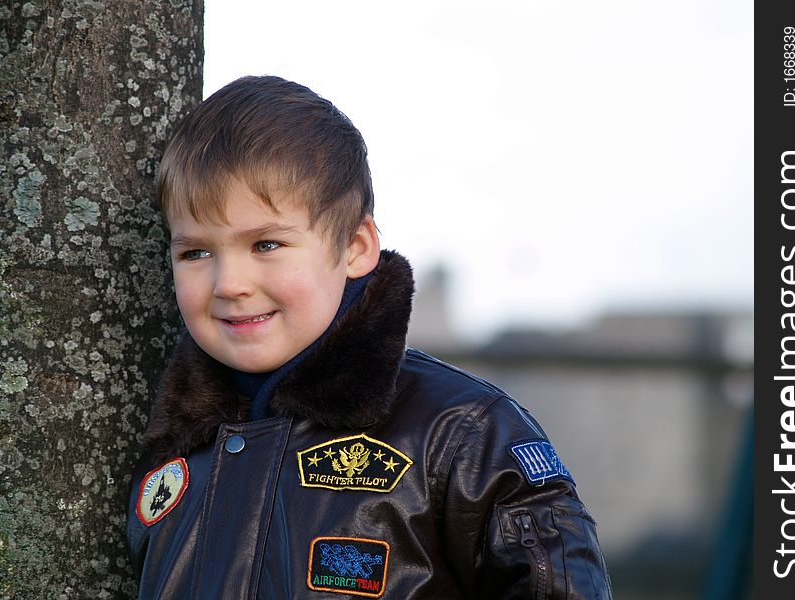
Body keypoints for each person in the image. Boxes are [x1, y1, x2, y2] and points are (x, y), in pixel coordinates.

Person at [127, 75, 613, 599]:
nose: (230, 284)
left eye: (266, 244)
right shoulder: (172, 451)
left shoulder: (464, 435)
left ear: (356, 247)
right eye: (195, 253)